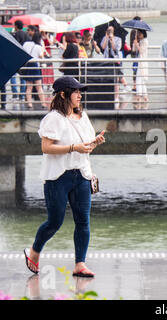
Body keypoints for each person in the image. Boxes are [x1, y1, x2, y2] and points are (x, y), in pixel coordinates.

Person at [23, 76, 106, 278]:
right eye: (76, 91)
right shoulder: (53, 118)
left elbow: (84, 148)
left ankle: (80, 264)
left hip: (82, 175)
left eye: (80, 91)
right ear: (63, 94)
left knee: (83, 221)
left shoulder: (83, 116)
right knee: (55, 221)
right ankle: (34, 251)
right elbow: (46, 147)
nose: (79, 95)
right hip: (58, 177)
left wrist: (93, 143)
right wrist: (72, 148)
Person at [101, 26, 129, 108]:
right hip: (107, 61)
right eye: (108, 30)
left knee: (116, 79)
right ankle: (108, 96)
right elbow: (102, 47)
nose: (109, 32)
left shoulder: (118, 39)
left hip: (115, 61)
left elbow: (115, 49)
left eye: (111, 30)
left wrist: (112, 39)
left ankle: (116, 97)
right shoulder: (104, 38)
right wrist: (106, 38)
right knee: (107, 79)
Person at [22, 32, 47, 109]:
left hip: (28, 65)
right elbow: (41, 57)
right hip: (35, 66)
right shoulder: (39, 47)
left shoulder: (26, 44)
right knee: (39, 87)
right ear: (39, 38)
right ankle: (43, 104)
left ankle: (29, 104)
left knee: (29, 87)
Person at [11, 20, 29, 102]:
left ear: (16, 26)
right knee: (23, 78)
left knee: (13, 76)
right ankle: (22, 96)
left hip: (16, 58)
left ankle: (15, 94)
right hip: (25, 59)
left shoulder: (16, 34)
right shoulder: (26, 34)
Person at [133, 29, 149, 104]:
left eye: (140, 33)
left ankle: (140, 95)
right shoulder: (140, 41)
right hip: (139, 61)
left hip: (143, 62)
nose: (139, 35)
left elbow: (141, 51)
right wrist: (135, 43)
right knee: (140, 78)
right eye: (138, 33)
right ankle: (144, 96)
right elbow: (134, 50)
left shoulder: (145, 41)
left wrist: (137, 45)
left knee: (140, 78)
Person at [129, 16, 142, 93]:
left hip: (134, 52)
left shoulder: (134, 31)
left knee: (136, 68)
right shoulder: (135, 31)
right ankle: (135, 85)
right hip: (135, 52)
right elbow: (134, 42)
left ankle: (135, 85)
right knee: (135, 68)